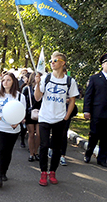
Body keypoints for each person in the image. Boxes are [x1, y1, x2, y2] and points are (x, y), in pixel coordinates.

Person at [34, 52, 79, 185]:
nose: (52, 62)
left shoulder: (70, 81)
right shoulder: (46, 78)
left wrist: (66, 116)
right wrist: (37, 84)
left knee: (57, 147)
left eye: (55, 60)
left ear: (62, 63)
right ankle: (43, 172)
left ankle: (52, 171)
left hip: (60, 119)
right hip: (44, 117)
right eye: (51, 60)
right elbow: (37, 97)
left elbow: (72, 100)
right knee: (44, 145)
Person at [0, 72, 26, 188]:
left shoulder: (20, 96)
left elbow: (23, 114)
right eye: (3, 80)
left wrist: (18, 122)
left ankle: (4, 171)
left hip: (12, 129)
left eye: (8, 80)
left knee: (7, 152)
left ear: (13, 82)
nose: (5, 82)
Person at [23, 72, 42, 162]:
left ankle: (36, 151)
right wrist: (23, 115)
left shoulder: (42, 88)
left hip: (41, 113)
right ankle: (31, 153)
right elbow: (23, 102)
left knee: (39, 134)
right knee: (31, 134)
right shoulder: (27, 89)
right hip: (29, 113)